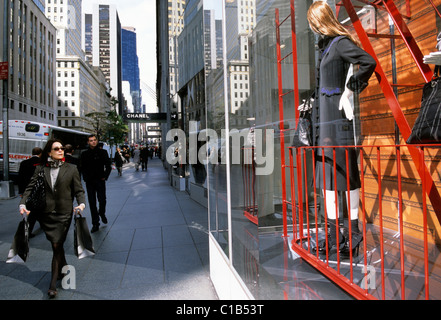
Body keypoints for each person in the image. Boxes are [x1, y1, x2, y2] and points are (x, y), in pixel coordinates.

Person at [307, 1, 376, 257]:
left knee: (345, 176)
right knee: (328, 179)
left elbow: (368, 62)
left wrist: (350, 89)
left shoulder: (339, 43)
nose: (313, 28)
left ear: (320, 20)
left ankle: (353, 234)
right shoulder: (326, 48)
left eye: (313, 22)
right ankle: (336, 235)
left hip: (337, 122)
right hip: (325, 123)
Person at [19, 139, 86, 298]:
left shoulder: (72, 168)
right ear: (49, 152)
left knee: (57, 244)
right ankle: (64, 268)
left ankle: (51, 285)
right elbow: (30, 187)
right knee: (57, 246)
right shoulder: (41, 168)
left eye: (62, 148)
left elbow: (79, 190)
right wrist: (22, 204)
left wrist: (81, 204)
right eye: (56, 149)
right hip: (46, 213)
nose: (60, 151)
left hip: (64, 213)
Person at [80, 134, 112, 233]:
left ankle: (101, 213)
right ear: (88, 142)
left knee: (102, 200)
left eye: (94, 140)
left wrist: (105, 176)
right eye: (91, 140)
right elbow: (82, 167)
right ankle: (95, 223)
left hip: (100, 180)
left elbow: (108, 166)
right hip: (89, 181)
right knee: (92, 202)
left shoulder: (103, 152)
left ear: (97, 141)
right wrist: (85, 178)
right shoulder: (84, 154)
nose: (93, 142)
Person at [18, 147, 43, 238]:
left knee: (31, 209)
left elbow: (20, 178)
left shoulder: (24, 163)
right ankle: (27, 231)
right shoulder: (41, 164)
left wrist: (21, 192)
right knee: (35, 211)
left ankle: (41, 224)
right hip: (38, 191)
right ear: (40, 153)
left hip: (26, 191)